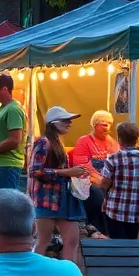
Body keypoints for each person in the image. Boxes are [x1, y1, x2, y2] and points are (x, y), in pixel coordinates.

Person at [29, 106, 89, 266]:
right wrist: (67, 172)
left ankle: (69, 274)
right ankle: (33, 272)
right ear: (53, 123)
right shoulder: (44, 142)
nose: (70, 123)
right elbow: (34, 171)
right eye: (65, 120)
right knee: (43, 240)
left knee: (72, 240)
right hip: (47, 199)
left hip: (63, 198)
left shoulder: (57, 142)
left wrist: (73, 173)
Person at [70, 110, 120, 237]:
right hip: (87, 180)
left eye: (109, 124)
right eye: (103, 124)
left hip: (108, 181)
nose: (107, 127)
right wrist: (101, 181)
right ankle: (97, 227)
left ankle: (116, 228)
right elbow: (81, 165)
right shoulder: (84, 141)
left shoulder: (113, 143)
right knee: (96, 193)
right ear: (94, 124)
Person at [98, 122, 139, 239]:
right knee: (132, 240)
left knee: (115, 242)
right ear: (137, 139)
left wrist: (105, 198)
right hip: (136, 210)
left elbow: (104, 184)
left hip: (114, 209)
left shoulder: (112, 158)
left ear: (119, 139)